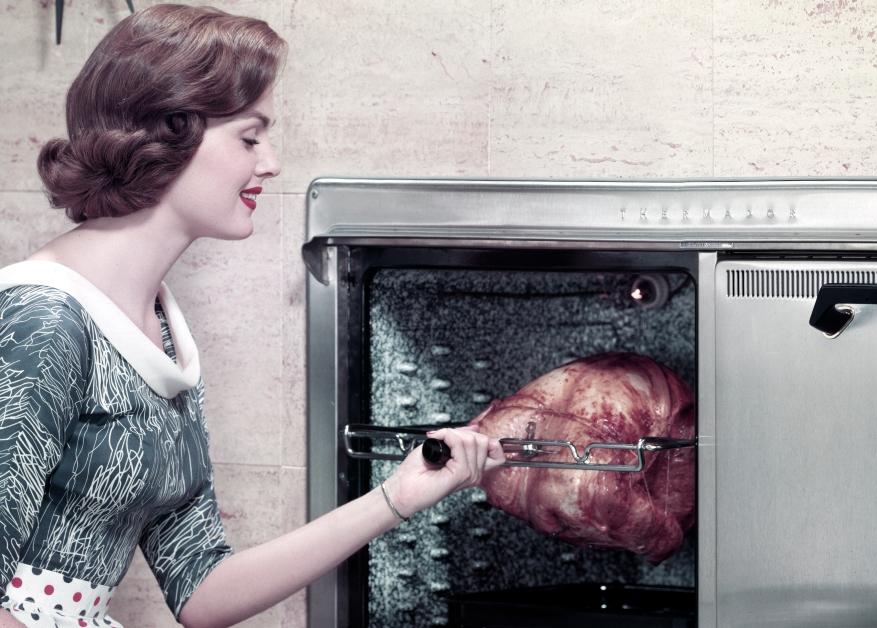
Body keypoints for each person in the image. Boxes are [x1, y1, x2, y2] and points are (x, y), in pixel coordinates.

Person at [0, 5, 505, 628]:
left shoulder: (159, 327)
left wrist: (397, 497)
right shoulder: (41, 318)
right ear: (169, 132)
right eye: (249, 136)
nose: (270, 163)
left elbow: (202, 589)